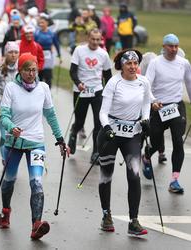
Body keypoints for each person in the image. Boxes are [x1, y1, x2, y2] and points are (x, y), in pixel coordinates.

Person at [0, 52, 69, 240]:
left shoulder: (43, 88)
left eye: (34, 70)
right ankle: (6, 211)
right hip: (14, 141)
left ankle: (36, 225)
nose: (31, 74)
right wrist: (11, 127)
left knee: (37, 183)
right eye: (27, 70)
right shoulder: (11, 88)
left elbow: (51, 115)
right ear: (20, 70)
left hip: (36, 142)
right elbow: (3, 115)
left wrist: (60, 139)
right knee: (9, 180)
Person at [98, 49, 151, 235]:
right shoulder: (114, 82)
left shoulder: (143, 82)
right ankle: (106, 215)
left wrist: (145, 119)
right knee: (106, 175)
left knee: (134, 176)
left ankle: (133, 221)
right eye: (129, 63)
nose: (133, 67)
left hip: (132, 134)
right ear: (121, 65)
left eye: (135, 63)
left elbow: (146, 104)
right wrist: (106, 127)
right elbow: (103, 112)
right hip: (110, 133)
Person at [142, 34, 191, 194]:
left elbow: (189, 84)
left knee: (178, 141)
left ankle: (174, 180)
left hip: (176, 107)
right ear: (164, 47)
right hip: (158, 107)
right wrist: (152, 101)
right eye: (170, 46)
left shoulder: (184, 63)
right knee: (156, 143)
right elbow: (147, 85)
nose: (174, 49)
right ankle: (147, 157)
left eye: (176, 46)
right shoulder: (155, 63)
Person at [68, 28, 112, 164]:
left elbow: (108, 76)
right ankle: (73, 133)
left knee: (98, 123)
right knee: (80, 121)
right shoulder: (79, 50)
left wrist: (109, 92)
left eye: (98, 39)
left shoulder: (104, 54)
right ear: (88, 38)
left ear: (101, 40)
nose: (95, 42)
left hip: (97, 91)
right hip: (81, 90)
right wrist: (78, 83)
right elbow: (72, 71)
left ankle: (96, 152)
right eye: (93, 39)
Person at [34, 15, 61, 88]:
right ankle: (39, 92)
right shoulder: (36, 33)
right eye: (40, 23)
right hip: (39, 56)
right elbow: (34, 45)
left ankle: (48, 92)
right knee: (39, 76)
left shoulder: (52, 34)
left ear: (47, 23)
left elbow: (57, 44)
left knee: (48, 76)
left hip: (49, 56)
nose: (41, 24)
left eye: (42, 23)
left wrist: (59, 55)